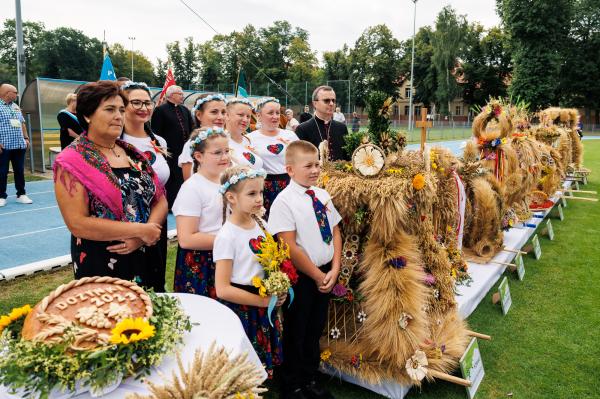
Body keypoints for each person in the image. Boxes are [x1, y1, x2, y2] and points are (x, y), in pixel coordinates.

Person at [53, 81, 166, 285]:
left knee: (152, 312)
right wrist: (140, 231)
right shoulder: (72, 160)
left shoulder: (133, 153)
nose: (118, 116)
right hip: (102, 260)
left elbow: (160, 199)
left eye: (122, 110)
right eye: (110, 109)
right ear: (87, 115)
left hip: (146, 252)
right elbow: (77, 223)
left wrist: (143, 235)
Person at [268, 140, 342, 399]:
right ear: (290, 169)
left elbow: (335, 230)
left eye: (317, 164)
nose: (315, 170)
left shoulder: (321, 195)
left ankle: (310, 378)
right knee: (297, 330)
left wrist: (335, 268)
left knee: (314, 329)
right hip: (302, 277)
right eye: (308, 166)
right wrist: (318, 275)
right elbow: (289, 246)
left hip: (325, 273)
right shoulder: (284, 202)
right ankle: (292, 384)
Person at [214, 165, 285, 378]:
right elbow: (223, 289)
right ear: (231, 198)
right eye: (252, 193)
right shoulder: (227, 236)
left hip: (263, 298)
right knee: (243, 364)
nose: (259, 199)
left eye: (261, 192)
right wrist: (264, 302)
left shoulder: (259, 222)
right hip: (243, 306)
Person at [120, 81, 170, 292]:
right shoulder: (115, 141)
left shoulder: (158, 141)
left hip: (157, 221)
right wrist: (138, 234)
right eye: (136, 102)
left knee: (155, 281)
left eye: (147, 102)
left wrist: (152, 226)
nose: (144, 108)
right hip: (126, 225)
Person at [172, 127, 231, 298]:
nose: (225, 157)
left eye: (227, 151)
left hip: (224, 257)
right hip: (201, 262)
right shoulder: (192, 188)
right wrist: (232, 241)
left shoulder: (227, 181)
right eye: (217, 153)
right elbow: (186, 238)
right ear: (199, 156)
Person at [247, 97, 298, 215]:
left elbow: (300, 159)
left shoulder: (290, 135)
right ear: (259, 116)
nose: (275, 117)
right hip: (264, 188)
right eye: (270, 113)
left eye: (277, 112)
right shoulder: (250, 139)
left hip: (290, 184)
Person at [150, 85, 194, 210]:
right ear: (171, 95)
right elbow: (156, 132)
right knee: (172, 179)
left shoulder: (185, 110)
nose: (182, 96)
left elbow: (191, 128)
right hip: (169, 152)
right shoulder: (160, 110)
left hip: (184, 151)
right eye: (180, 94)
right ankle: (170, 204)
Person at [178, 93, 227, 180]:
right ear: (199, 115)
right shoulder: (192, 145)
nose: (220, 117)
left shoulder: (227, 140)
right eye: (214, 112)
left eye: (223, 112)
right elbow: (189, 182)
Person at [295, 86, 349, 162]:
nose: (331, 103)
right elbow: (300, 161)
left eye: (333, 100)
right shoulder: (303, 129)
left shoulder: (342, 128)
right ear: (315, 103)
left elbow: (347, 157)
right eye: (326, 100)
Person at [0, 83, 32, 207]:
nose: (17, 94)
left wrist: (26, 138)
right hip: (4, 146)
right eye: (15, 92)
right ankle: (1, 196)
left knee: (19, 171)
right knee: (2, 172)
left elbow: (22, 123)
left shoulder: (16, 106)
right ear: (7, 93)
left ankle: (21, 194)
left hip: (19, 145)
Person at [225, 97, 264, 170]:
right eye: (240, 115)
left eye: (248, 116)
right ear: (227, 115)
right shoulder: (220, 142)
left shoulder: (249, 140)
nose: (245, 120)